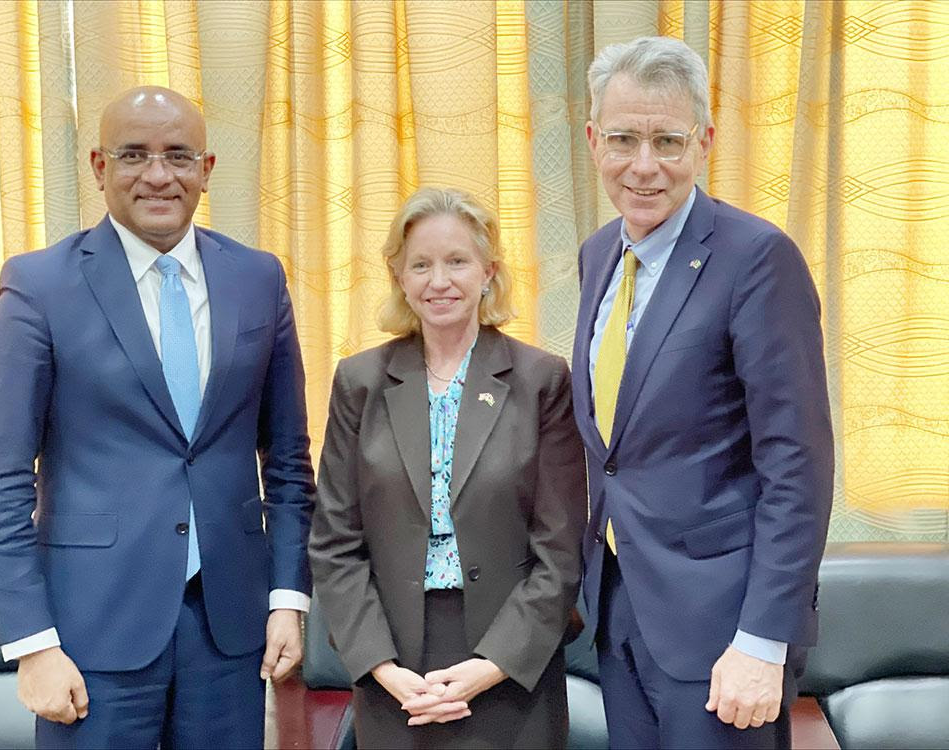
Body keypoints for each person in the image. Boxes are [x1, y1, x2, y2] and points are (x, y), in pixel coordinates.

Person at [0, 86, 316, 749]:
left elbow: (290, 461)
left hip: (231, 629)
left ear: (207, 169)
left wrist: (287, 598)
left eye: (178, 155)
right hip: (89, 631)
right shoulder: (39, 287)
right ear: (99, 167)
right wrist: (33, 644)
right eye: (135, 154)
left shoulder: (259, 280)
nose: (159, 175)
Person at [573, 37, 834, 749]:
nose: (644, 165)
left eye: (667, 139)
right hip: (621, 608)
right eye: (624, 139)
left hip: (723, 632)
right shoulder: (599, 255)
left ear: (705, 140)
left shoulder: (756, 259)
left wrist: (763, 641)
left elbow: (797, 469)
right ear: (594, 139)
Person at [309, 187, 587, 749]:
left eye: (457, 261)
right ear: (399, 276)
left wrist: (490, 667)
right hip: (395, 670)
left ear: (488, 271)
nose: (440, 281)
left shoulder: (541, 381)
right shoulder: (359, 382)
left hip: (511, 665)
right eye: (422, 265)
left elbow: (560, 552)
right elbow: (335, 542)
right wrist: (384, 670)